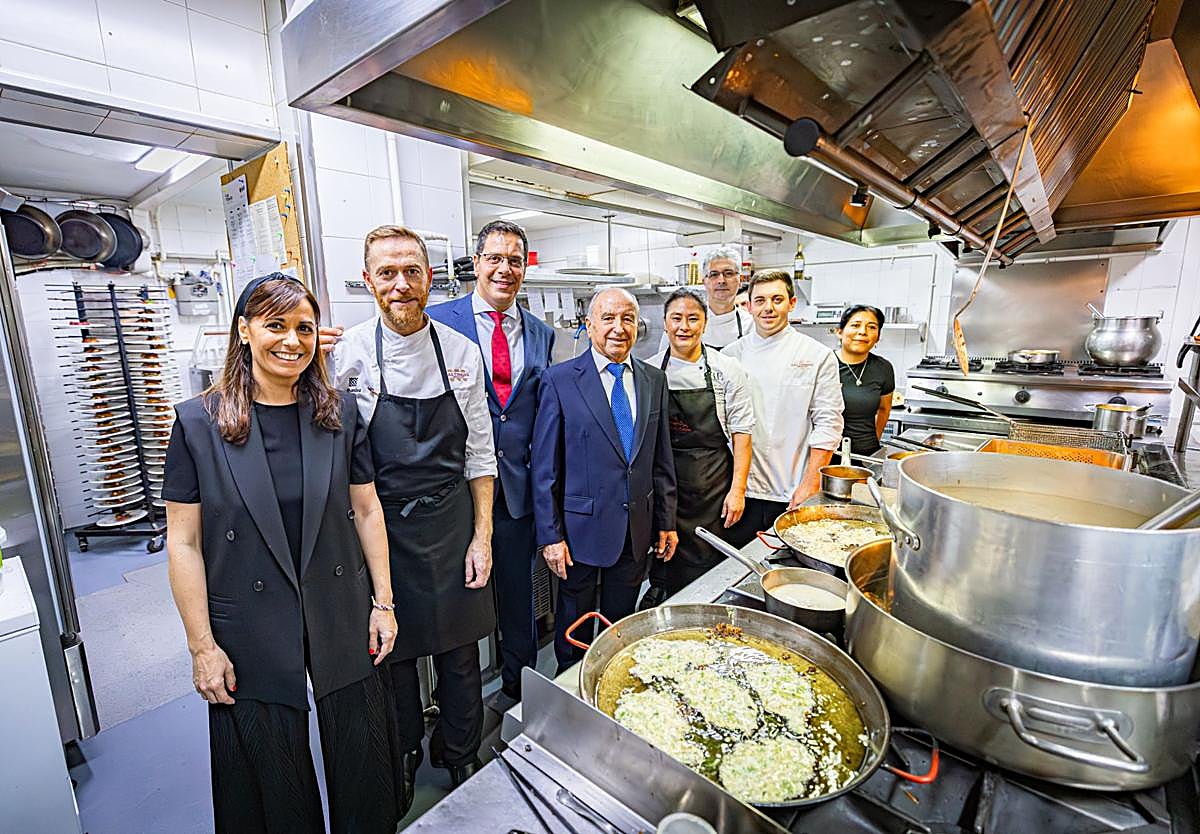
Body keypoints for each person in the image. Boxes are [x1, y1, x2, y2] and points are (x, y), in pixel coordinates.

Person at [164, 273, 399, 834]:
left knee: (361, 750)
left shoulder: (337, 414)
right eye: (275, 325)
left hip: (339, 602)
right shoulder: (198, 422)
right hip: (248, 618)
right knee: (271, 770)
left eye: (304, 328)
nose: (292, 341)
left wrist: (383, 602)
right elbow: (184, 541)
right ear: (243, 331)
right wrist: (202, 646)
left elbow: (367, 511)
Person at [331, 225, 496, 793]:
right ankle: (401, 749)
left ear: (429, 278)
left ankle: (460, 749)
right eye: (387, 273)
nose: (400, 285)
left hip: (450, 522)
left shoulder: (461, 353)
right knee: (390, 652)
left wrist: (482, 537)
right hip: (379, 527)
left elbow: (480, 452)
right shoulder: (348, 353)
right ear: (368, 281)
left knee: (459, 652)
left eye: (412, 272)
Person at [427, 220, 555, 702]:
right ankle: (457, 704)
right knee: (459, 599)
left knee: (518, 595)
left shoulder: (541, 333)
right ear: (476, 263)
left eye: (515, 261)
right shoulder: (439, 321)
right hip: (457, 490)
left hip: (518, 490)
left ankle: (518, 687)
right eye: (495, 258)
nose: (505, 269)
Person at [532, 287, 678, 672]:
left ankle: (610, 682)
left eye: (627, 319)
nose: (618, 328)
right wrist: (550, 535)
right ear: (589, 324)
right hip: (579, 530)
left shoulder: (653, 380)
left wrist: (666, 521)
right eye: (608, 318)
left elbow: (661, 458)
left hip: (635, 527)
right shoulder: (560, 380)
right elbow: (545, 467)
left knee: (620, 624)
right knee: (573, 622)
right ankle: (570, 683)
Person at [639, 289, 754, 607]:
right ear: (665, 323)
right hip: (663, 482)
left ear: (704, 324)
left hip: (712, 483)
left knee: (708, 559)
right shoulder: (648, 372)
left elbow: (742, 433)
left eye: (693, 319)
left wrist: (738, 490)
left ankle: (705, 609)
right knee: (664, 553)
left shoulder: (726, 370)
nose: (684, 326)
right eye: (677, 318)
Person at [724, 270, 844, 541]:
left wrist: (811, 482)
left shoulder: (817, 355)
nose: (768, 308)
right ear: (748, 305)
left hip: (791, 490)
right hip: (738, 491)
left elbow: (829, 423)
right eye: (760, 300)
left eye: (777, 299)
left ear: (791, 303)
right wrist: (734, 488)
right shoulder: (730, 356)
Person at [658, 246, 753, 351]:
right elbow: (663, 362)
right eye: (714, 274)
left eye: (728, 273)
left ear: (740, 280)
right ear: (704, 281)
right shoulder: (681, 324)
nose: (721, 280)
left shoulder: (750, 325)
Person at [835, 305, 895, 456]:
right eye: (855, 325)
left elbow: (884, 409)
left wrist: (874, 438)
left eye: (872, 327)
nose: (862, 332)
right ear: (839, 331)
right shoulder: (824, 364)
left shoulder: (884, 368)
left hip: (867, 454)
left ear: (878, 336)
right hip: (828, 453)